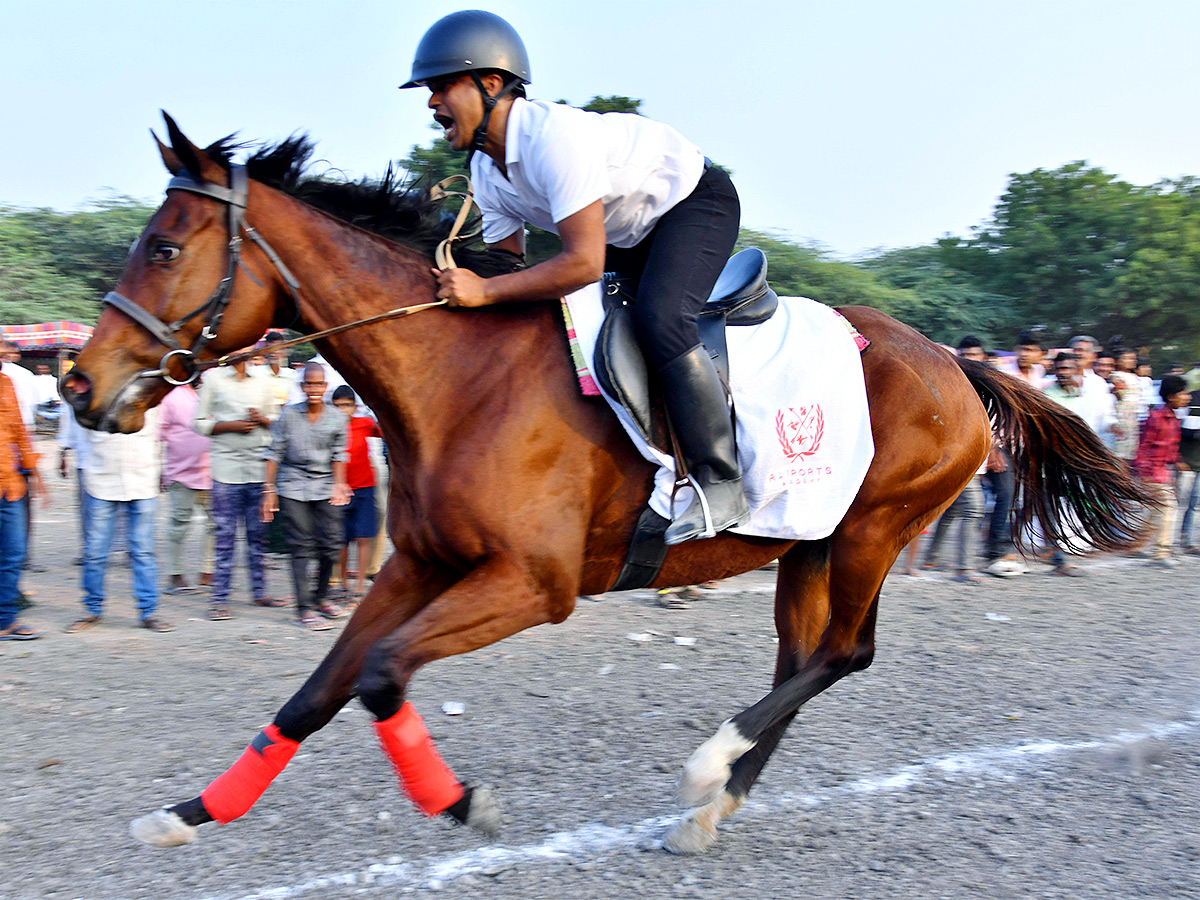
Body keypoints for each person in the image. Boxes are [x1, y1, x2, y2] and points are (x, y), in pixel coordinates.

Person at [402, 10, 747, 545]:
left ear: (490, 83)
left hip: (693, 204)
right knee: (588, 331)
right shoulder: (485, 169)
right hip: (629, 236)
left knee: (660, 319)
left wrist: (484, 290)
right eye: (429, 89)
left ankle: (720, 481)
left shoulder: (552, 138)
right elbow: (509, 268)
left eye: (443, 86)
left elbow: (581, 263)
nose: (431, 103)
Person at [65, 406, 172, 633]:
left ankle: (149, 612)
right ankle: (92, 610)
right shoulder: (97, 395)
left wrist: (160, 467)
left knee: (143, 551)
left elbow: (157, 434)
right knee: (94, 552)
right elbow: (83, 432)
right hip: (101, 479)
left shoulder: (148, 393)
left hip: (142, 479)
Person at [261, 363, 351, 630]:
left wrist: (339, 484)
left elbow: (339, 454)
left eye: (318, 384)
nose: (314, 389)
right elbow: (274, 453)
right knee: (301, 545)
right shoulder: (289, 416)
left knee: (332, 543)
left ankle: (321, 598)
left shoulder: (337, 417)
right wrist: (269, 490)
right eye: (309, 384)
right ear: (302, 387)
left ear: (326, 387)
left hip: (325, 484)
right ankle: (304, 609)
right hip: (293, 484)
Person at [194, 359, 282, 620]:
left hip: (258, 468)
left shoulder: (263, 379)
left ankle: (260, 592)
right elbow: (197, 422)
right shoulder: (213, 379)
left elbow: (278, 422)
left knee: (258, 536)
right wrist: (227, 426)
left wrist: (262, 419)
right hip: (226, 470)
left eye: (247, 345)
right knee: (225, 537)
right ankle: (219, 599)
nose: (241, 350)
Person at [0, 371, 46, 640]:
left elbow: (19, 428)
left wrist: (34, 472)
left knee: (14, 554)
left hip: (10, 485)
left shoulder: (5, 382)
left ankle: (5, 620)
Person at [159, 382, 214, 594]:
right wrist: (158, 467)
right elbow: (159, 433)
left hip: (213, 472)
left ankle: (208, 572)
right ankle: (175, 574)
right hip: (181, 473)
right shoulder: (171, 394)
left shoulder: (213, 387)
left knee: (217, 524)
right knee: (179, 524)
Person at [331, 386, 382, 607]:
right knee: (341, 540)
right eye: (338, 406)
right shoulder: (327, 425)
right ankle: (342, 585)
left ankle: (360, 586)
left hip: (364, 487)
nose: (343, 410)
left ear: (354, 407)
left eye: (346, 405)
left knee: (364, 538)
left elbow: (385, 431)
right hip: (338, 489)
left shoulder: (365, 423)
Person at [1133, 375, 1191, 567]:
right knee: (1168, 507)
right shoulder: (1156, 418)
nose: (1187, 397)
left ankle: (1136, 545)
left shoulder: (1173, 418)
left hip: (1161, 471)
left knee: (1154, 511)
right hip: (1153, 472)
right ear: (1172, 396)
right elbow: (1144, 446)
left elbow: (1169, 447)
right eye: (1183, 393)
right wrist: (1144, 472)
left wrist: (1177, 462)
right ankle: (1162, 552)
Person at [1108, 348, 1142, 464]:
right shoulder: (1117, 376)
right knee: (1120, 448)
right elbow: (1118, 394)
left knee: (1130, 450)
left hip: (1133, 416)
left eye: (1132, 358)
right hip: (1122, 414)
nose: (1131, 361)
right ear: (1117, 361)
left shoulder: (1135, 377)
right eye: (1126, 358)